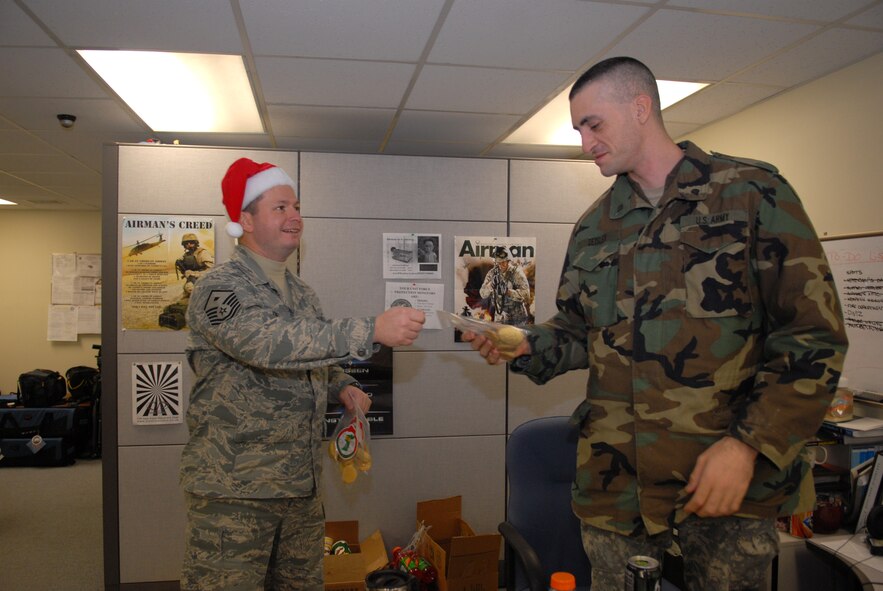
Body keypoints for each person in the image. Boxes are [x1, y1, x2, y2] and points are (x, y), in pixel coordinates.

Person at [464, 56, 848, 590]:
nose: (585, 143)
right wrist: (525, 345)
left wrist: (750, 445)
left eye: (593, 124)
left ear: (641, 107)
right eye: (578, 129)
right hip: (616, 487)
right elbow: (579, 332)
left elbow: (812, 336)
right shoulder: (595, 227)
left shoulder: (751, 194)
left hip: (722, 487)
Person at [178, 157, 426, 590]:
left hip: (299, 487)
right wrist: (371, 328)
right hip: (236, 490)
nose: (295, 217)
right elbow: (266, 343)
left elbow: (312, 358)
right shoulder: (218, 287)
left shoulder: (301, 292)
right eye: (280, 208)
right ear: (246, 220)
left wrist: (343, 385)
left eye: (296, 207)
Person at [479, 247, 531, 325]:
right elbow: (482, 294)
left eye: (504, 262)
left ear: (508, 261)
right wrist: (490, 285)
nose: (501, 265)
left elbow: (526, 295)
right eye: (498, 262)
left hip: (517, 317)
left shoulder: (516, 273)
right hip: (500, 317)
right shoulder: (492, 273)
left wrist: (508, 292)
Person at [176, 233, 214, 300]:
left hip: (204, 280)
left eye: (191, 242)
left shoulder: (202, 253)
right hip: (191, 281)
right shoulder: (185, 255)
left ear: (196, 243)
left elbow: (211, 271)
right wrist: (184, 270)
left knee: (191, 288)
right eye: (186, 243)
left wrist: (195, 274)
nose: (189, 245)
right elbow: (186, 272)